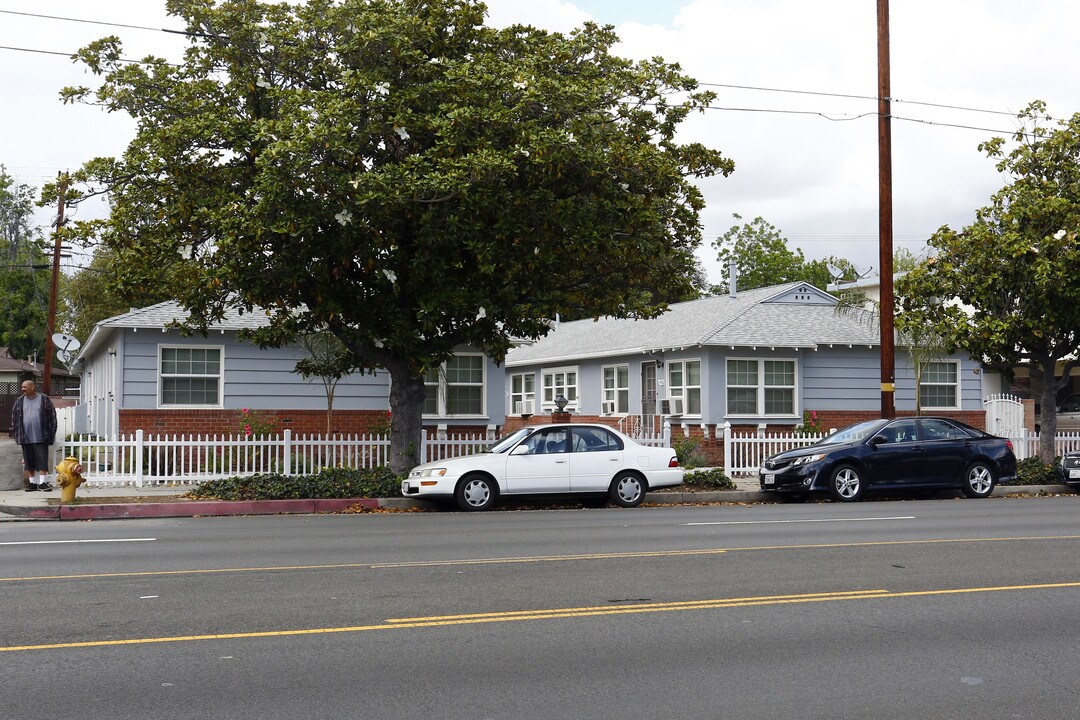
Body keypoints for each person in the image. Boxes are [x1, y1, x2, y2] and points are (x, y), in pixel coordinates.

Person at [11, 379, 58, 492]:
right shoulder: (19, 401)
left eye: (25, 387)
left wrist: (51, 433)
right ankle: (32, 483)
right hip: (25, 437)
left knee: (42, 460)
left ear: (32, 387)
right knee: (28, 461)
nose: (23, 389)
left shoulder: (44, 399)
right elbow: (14, 418)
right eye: (22, 387)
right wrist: (15, 431)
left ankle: (42, 483)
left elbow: (52, 417)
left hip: (41, 436)